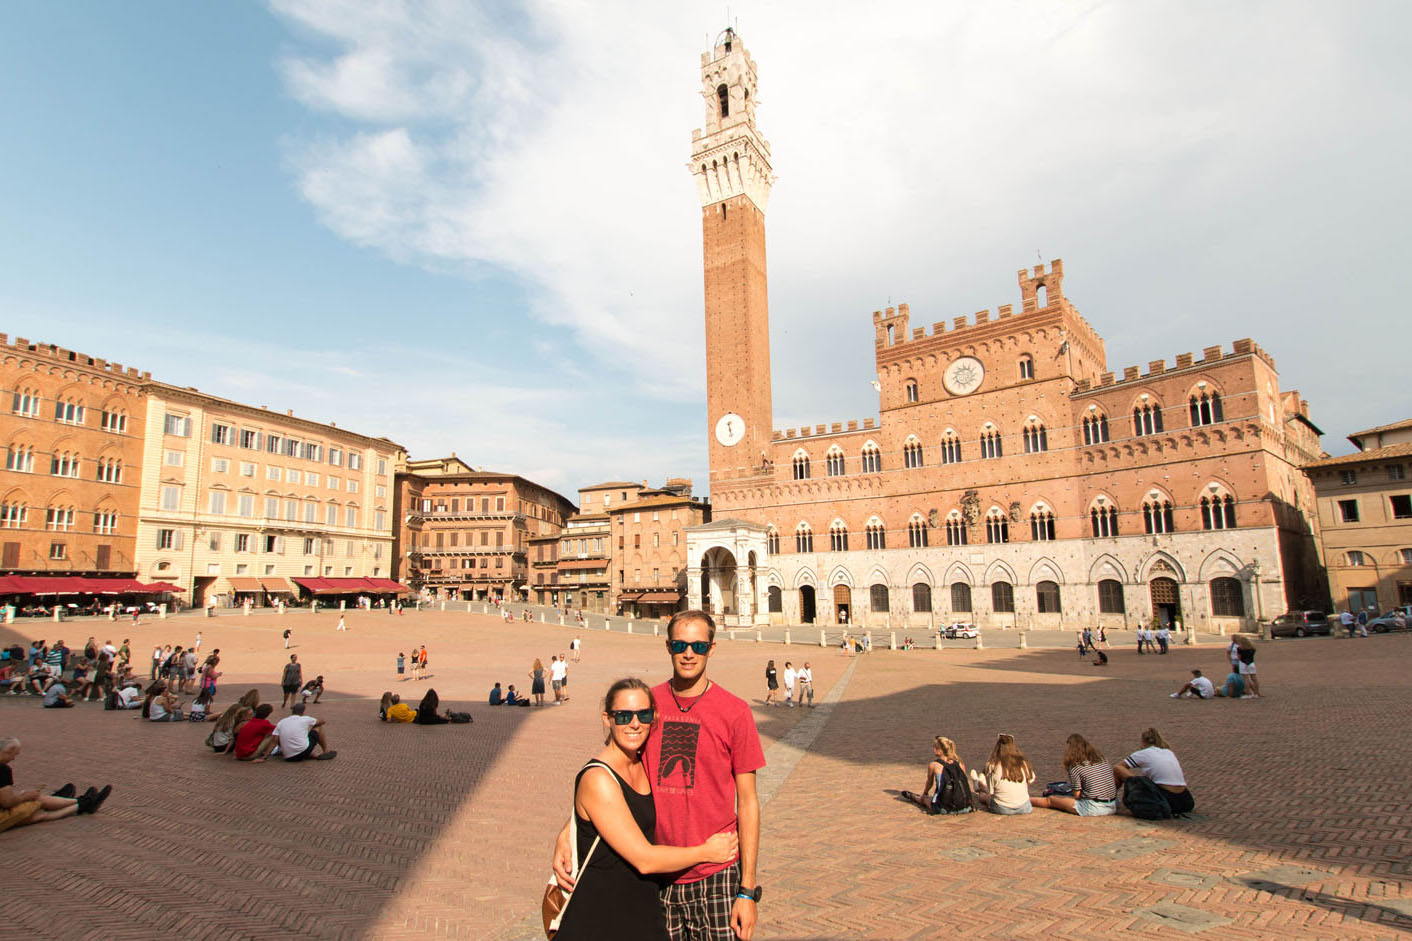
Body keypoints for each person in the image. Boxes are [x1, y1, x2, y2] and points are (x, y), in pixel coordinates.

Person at [554, 610, 765, 941]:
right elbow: (614, 773)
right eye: (680, 644)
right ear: (668, 646)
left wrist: (747, 889)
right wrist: (570, 829)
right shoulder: (647, 707)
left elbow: (749, 801)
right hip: (658, 876)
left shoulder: (735, 711)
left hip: (715, 871)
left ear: (712, 648)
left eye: (698, 645)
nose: (689, 653)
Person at [552, 678, 739, 941]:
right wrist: (706, 852)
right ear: (607, 719)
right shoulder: (599, 779)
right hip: (600, 918)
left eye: (644, 714)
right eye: (624, 715)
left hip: (642, 910)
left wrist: (567, 828)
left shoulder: (643, 761)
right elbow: (645, 859)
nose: (635, 723)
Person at [0, 738, 112, 830]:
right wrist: (26, 796)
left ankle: (78, 803)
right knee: (37, 803)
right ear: (8, 751)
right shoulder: (3, 769)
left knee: (37, 813)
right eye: (13, 755)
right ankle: (83, 802)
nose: (13, 759)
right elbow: (7, 802)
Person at [1030, 734, 1118, 816]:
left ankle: (1026, 801)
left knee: (1051, 800)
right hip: (1113, 804)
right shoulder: (1103, 760)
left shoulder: (1076, 767)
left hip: (1093, 808)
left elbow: (1077, 796)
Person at [1114, 727, 1194, 815]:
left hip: (1165, 799)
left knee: (1117, 769)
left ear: (1143, 742)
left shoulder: (1142, 753)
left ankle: (1112, 799)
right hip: (1185, 800)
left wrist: (1135, 782)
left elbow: (1119, 767)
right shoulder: (1168, 752)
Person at [900, 735, 973, 815]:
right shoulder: (960, 763)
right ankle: (917, 797)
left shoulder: (934, 765)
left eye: (935, 748)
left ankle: (915, 797)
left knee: (924, 799)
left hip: (944, 809)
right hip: (965, 807)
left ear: (940, 750)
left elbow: (929, 784)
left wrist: (925, 793)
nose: (933, 750)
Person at [970, 733, 1036, 815]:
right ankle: (979, 783)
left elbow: (991, 792)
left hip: (1002, 808)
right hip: (1025, 807)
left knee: (984, 796)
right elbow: (1031, 779)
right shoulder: (1023, 763)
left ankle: (979, 786)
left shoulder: (992, 766)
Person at [252, 703, 336, 762]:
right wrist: (310, 726)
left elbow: (274, 741)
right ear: (303, 712)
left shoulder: (282, 722)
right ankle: (325, 751)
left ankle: (310, 754)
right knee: (318, 728)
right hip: (301, 753)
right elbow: (322, 721)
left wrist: (265, 757)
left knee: (297, 736)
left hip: (287, 756)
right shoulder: (305, 719)